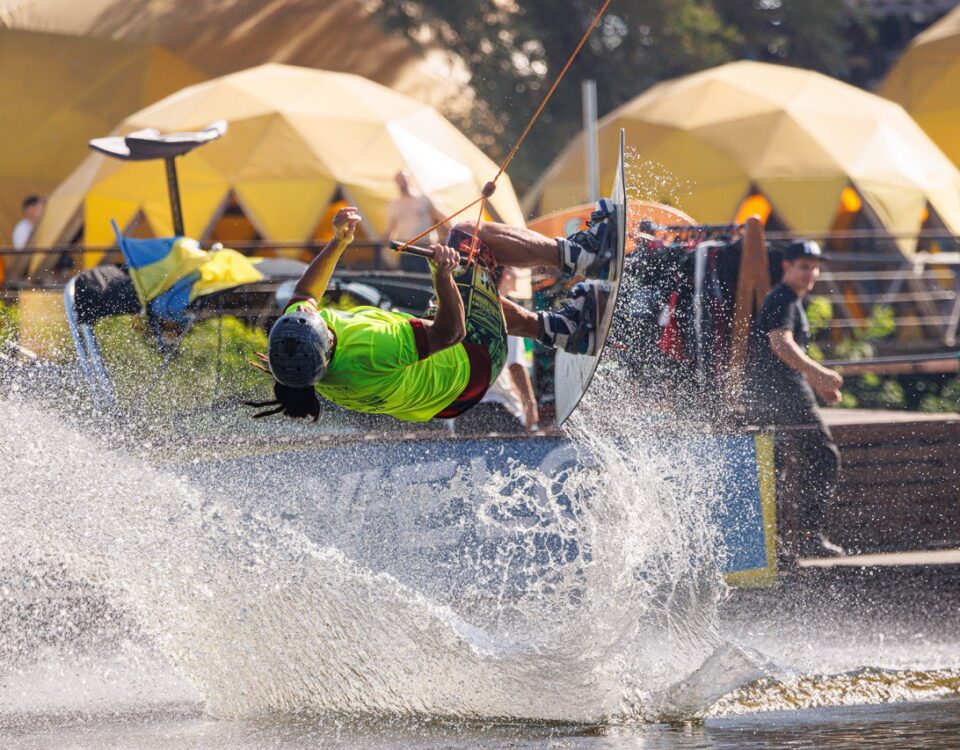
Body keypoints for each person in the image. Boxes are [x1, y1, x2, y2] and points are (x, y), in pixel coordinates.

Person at [246, 200, 616, 423]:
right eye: (323, 329)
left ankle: (564, 329)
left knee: (460, 300)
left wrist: (339, 242)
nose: (318, 316)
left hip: (449, 400)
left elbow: (305, 292)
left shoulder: (299, 350)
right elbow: (450, 333)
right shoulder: (370, 348)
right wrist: (443, 275)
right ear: (326, 345)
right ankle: (582, 255)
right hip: (473, 365)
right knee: (467, 236)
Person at [743, 240, 844, 559]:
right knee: (822, 455)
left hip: (772, 390)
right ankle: (808, 537)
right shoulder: (783, 298)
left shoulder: (790, 300)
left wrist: (815, 381)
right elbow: (780, 344)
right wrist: (818, 374)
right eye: (804, 266)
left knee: (779, 464)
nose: (811, 273)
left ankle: (780, 543)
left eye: (814, 267)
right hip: (782, 390)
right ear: (786, 267)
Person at [469, 267, 540, 432]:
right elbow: (515, 365)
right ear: (505, 275)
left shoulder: (468, 311)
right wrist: (530, 403)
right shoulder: (508, 314)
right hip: (498, 406)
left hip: (466, 406)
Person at [385, 171, 449, 271]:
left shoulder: (423, 199)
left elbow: (443, 218)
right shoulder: (394, 204)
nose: (402, 183)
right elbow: (389, 230)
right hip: (405, 251)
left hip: (425, 249)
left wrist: (451, 238)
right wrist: (385, 253)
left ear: (410, 180)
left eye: (404, 179)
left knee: (425, 280)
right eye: (399, 180)